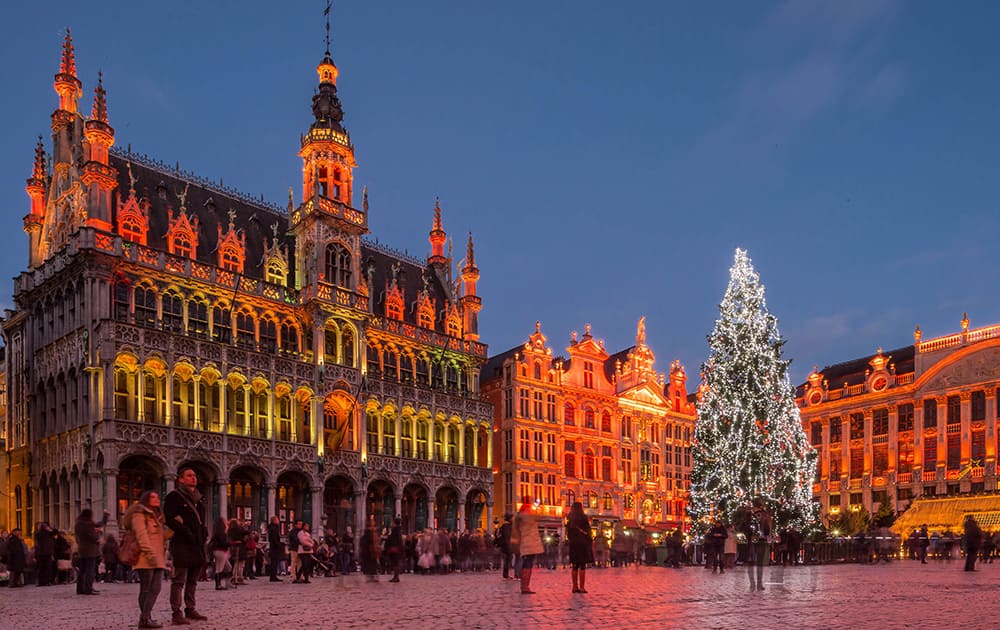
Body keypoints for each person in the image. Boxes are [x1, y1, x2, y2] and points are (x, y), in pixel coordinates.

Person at [163, 467, 208, 626]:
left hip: (197, 544)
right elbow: (168, 518)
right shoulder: (174, 497)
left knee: (193, 580)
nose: (193, 478)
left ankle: (190, 608)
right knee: (179, 580)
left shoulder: (199, 498)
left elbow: (201, 521)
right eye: (189, 476)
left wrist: (204, 534)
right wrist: (185, 531)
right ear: (181, 479)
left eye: (194, 475)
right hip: (182, 543)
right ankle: (176, 612)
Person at [123, 490, 168, 629]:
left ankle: (145, 618)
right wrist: (150, 554)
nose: (157, 499)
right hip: (146, 557)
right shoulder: (139, 514)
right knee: (147, 589)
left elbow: (160, 537)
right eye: (153, 497)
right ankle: (145, 619)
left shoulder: (157, 516)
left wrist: (172, 530)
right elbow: (141, 535)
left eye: (157, 496)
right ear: (146, 499)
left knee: (156, 588)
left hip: (157, 556)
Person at [510, 497, 544, 594]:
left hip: (524, 543)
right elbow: (540, 516)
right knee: (528, 564)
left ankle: (524, 586)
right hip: (530, 543)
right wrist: (537, 507)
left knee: (526, 564)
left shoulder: (519, 516)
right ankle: (525, 587)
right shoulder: (528, 515)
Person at [74, 508, 109, 595]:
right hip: (90, 550)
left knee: (82, 570)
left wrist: (105, 517)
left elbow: (99, 524)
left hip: (82, 549)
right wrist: (98, 533)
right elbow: (93, 537)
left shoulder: (78, 524)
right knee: (90, 570)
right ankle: (88, 589)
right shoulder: (87, 524)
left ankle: (80, 589)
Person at [566, 501, 593, 594]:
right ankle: (582, 587)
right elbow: (588, 531)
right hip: (583, 544)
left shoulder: (570, 520)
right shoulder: (583, 518)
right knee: (582, 566)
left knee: (574, 566)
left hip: (573, 544)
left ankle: (574, 587)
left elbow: (568, 534)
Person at [208, 517, 231, 590]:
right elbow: (223, 543)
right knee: (219, 568)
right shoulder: (222, 534)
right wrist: (229, 543)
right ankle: (218, 585)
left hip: (217, 551)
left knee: (228, 567)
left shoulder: (215, 533)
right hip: (221, 551)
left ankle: (228, 583)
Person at [34, 522, 55, 587]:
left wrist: (50, 530)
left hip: (48, 553)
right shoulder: (39, 534)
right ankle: (41, 582)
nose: (46, 527)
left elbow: (55, 533)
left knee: (48, 568)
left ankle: (47, 581)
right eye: (45, 526)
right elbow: (38, 541)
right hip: (41, 553)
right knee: (41, 568)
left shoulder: (49, 533)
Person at [360, 517, 380, 582]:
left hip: (373, 551)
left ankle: (373, 575)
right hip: (369, 550)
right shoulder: (368, 533)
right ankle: (370, 576)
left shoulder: (373, 532)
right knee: (369, 563)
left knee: (373, 563)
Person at [386, 517, 404, 582]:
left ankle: (396, 577)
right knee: (395, 563)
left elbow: (398, 540)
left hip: (395, 549)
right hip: (396, 548)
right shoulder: (397, 530)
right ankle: (396, 576)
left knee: (395, 563)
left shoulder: (396, 530)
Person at [496, 513, 514, 580]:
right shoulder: (506, 526)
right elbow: (507, 538)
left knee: (508, 560)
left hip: (507, 546)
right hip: (507, 546)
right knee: (507, 560)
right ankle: (505, 575)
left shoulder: (506, 526)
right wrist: (509, 546)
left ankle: (506, 575)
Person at [266, 516, 284, 582]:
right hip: (274, 548)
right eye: (277, 519)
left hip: (273, 547)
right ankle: (273, 576)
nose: (278, 521)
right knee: (274, 562)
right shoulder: (274, 528)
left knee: (274, 562)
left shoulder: (272, 528)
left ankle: (273, 575)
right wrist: (279, 544)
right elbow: (274, 539)